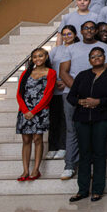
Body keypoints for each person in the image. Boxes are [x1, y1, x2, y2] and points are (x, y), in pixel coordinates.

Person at [67, 47, 107, 202]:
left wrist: (99, 102)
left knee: (99, 153)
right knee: (84, 154)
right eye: (93, 56)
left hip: (102, 118)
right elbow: (71, 97)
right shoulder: (82, 75)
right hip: (82, 119)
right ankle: (82, 190)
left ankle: (97, 189)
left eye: (99, 55)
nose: (96, 58)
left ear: (104, 57)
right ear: (89, 60)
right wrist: (80, 101)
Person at [16, 48, 56, 182]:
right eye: (34, 57)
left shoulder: (51, 73)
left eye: (40, 56)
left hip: (40, 111)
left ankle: (36, 169)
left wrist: (34, 111)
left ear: (46, 57)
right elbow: (19, 94)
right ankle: (25, 170)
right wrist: (25, 110)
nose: (37, 59)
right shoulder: (26, 73)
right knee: (26, 140)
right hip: (24, 111)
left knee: (38, 139)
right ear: (31, 59)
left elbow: (48, 94)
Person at [48, 26, 75, 161]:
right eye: (64, 34)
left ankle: (63, 147)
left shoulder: (76, 48)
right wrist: (55, 82)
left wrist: (66, 82)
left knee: (66, 120)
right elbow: (50, 68)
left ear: (75, 35)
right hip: (55, 90)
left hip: (69, 88)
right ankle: (52, 147)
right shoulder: (56, 50)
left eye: (69, 33)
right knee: (54, 119)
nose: (66, 36)